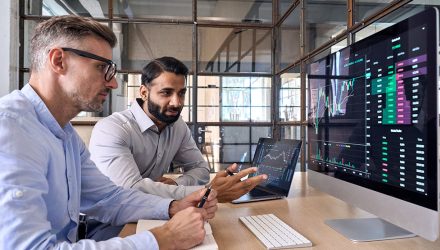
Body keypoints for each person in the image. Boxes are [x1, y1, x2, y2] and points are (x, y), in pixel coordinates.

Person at [0, 15, 218, 249]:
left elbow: (108, 198)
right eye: (102, 67)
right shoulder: (11, 129)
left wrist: (174, 206)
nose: (113, 83)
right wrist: (164, 239)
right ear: (58, 60)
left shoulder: (65, 134)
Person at [89, 57, 267, 202]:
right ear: (144, 93)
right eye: (166, 93)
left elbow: (200, 169)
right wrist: (208, 192)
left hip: (153, 213)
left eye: (181, 93)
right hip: (107, 226)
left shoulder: (177, 125)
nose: (177, 102)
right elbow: (130, 190)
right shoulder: (112, 129)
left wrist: (175, 186)